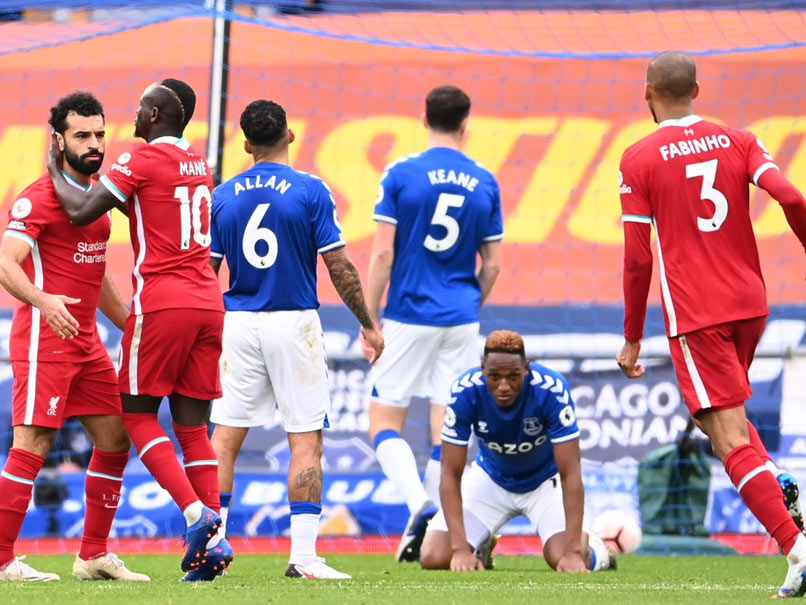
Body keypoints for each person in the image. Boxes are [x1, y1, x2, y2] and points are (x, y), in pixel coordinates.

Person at [617, 51, 806, 598]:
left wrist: (631, 336)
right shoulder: (740, 140)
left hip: (698, 314)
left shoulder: (639, 157)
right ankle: (783, 485)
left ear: (646, 92)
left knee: (726, 437)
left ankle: (795, 546)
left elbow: (637, 258)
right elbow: (790, 195)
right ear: (697, 89)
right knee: (717, 420)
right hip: (750, 304)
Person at [46, 79, 232, 581]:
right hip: (209, 302)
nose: (133, 114)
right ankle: (214, 546)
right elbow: (152, 210)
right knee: (194, 428)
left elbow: (82, 208)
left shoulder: (140, 159)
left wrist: (52, 166)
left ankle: (198, 516)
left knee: (136, 416)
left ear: (153, 114)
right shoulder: (199, 164)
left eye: (139, 107)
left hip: (164, 299)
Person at [208, 99, 384, 580]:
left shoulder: (221, 195)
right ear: (289, 134)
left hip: (238, 323)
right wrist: (368, 323)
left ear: (245, 145)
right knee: (305, 439)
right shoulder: (310, 190)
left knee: (223, 439)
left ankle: (212, 556)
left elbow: (208, 273)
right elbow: (339, 266)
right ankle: (303, 558)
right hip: (294, 323)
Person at [0, 92, 148, 582]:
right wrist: (44, 300)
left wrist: (132, 324)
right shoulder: (38, 196)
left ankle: (92, 556)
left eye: (100, 134)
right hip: (45, 339)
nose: (94, 143)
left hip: (86, 343)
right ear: (58, 140)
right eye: (82, 135)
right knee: (35, 441)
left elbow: (96, 276)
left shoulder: (96, 200)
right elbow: (6, 262)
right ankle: (2, 560)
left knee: (115, 436)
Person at [363, 85, 503, 562]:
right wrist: (470, 304)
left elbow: (382, 251)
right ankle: (438, 525)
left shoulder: (401, 172)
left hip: (406, 313)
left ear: (424, 118)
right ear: (467, 123)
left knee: (384, 421)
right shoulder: (484, 179)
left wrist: (369, 316)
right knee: (449, 428)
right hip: (461, 318)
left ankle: (420, 506)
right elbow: (494, 263)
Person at [419, 330, 615, 573]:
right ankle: (479, 547)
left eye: (512, 376)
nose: (503, 386)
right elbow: (449, 473)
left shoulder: (551, 390)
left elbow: (571, 472)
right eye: (494, 377)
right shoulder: (465, 391)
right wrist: (460, 550)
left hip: (545, 482)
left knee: (565, 560)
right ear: (482, 370)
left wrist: (575, 552)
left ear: (526, 369)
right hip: (490, 479)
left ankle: (597, 549)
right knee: (434, 557)